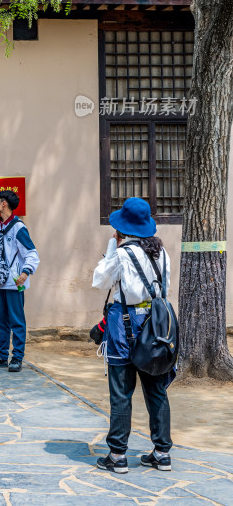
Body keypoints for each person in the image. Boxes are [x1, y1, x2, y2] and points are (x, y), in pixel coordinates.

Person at [92, 196, 172, 474]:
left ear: (121, 228)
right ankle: (162, 453)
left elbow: (99, 280)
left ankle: (117, 455)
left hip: (123, 324)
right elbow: (165, 289)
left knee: (121, 392)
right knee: (156, 390)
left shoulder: (122, 254)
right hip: (155, 326)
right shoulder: (162, 253)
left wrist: (113, 245)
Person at [0, 190, 39, 372]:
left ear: (4, 204)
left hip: (14, 282)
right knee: (0, 320)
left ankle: (17, 357)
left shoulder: (18, 227)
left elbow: (32, 254)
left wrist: (26, 272)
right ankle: (1, 355)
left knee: (16, 320)